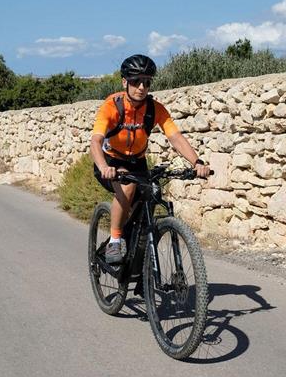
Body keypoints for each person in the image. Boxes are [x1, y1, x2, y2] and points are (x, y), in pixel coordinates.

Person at [90, 54, 210, 263]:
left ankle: (138, 256)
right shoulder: (112, 107)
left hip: (137, 161)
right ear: (125, 82)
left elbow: (175, 137)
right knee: (126, 188)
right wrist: (102, 166)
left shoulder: (155, 109)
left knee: (152, 193)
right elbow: (96, 141)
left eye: (146, 82)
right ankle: (115, 241)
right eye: (136, 81)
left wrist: (196, 162)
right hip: (110, 161)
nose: (141, 87)